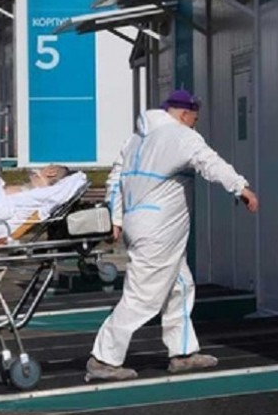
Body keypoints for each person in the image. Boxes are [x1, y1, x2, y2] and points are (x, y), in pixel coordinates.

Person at [86, 89, 259, 382]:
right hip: (159, 230)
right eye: (195, 119)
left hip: (140, 224)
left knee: (180, 286)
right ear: (183, 114)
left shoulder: (136, 139)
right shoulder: (181, 136)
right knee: (143, 297)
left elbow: (116, 177)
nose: (195, 125)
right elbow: (210, 163)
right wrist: (241, 188)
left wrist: (115, 217)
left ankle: (182, 353)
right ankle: (103, 358)